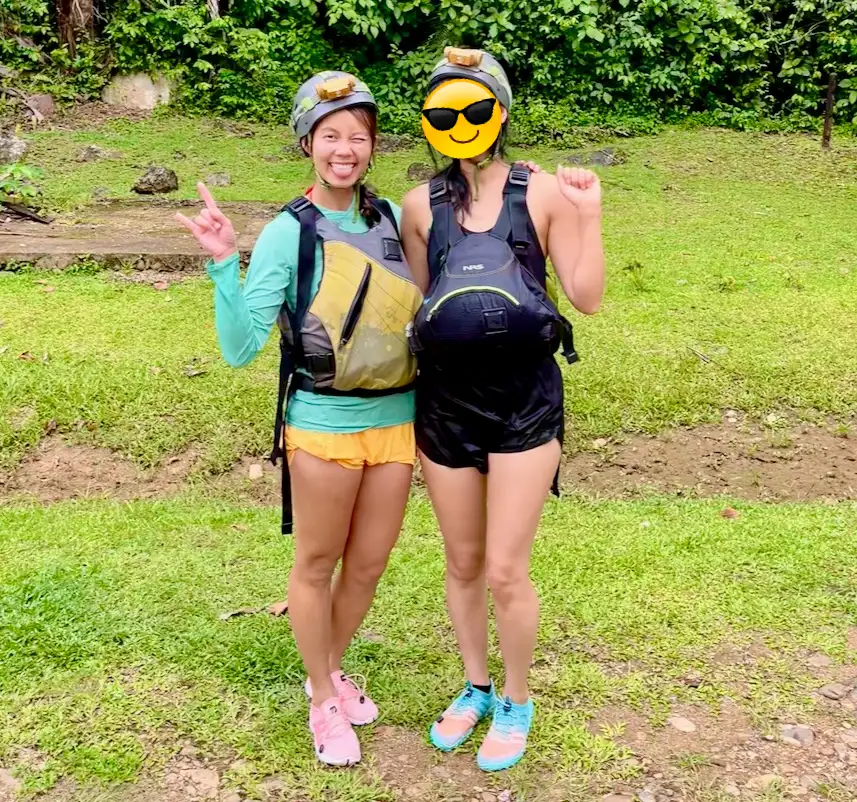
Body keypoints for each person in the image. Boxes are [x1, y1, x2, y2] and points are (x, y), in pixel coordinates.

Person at [177, 71, 423, 768]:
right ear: (307, 143)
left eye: (357, 137)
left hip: (396, 422)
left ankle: (331, 668)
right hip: (321, 424)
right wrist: (226, 262)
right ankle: (320, 697)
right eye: (330, 136)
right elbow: (239, 346)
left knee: (368, 566)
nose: (344, 149)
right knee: (317, 564)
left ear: (373, 146)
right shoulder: (289, 231)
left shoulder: (388, 221)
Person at [400, 48, 606, 772]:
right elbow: (427, 302)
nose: (460, 123)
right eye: (444, 113)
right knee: (461, 561)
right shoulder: (419, 207)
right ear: (430, 123)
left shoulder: (542, 191)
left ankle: (516, 698)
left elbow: (584, 295)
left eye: (474, 109)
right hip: (445, 404)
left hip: (523, 403)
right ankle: (475, 685)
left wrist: (589, 214)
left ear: (501, 112)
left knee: (504, 570)